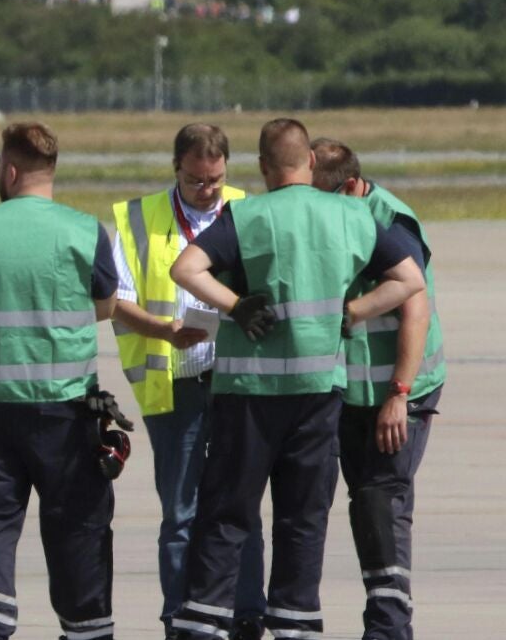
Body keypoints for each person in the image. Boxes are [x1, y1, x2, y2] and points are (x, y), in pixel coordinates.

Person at [164, 119, 427, 640]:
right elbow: (409, 278)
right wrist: (351, 312)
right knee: (302, 519)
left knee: (227, 514)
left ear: (263, 167)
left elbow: (185, 269)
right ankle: (296, 623)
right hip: (317, 395)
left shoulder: (247, 215)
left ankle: (203, 622)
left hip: (247, 397)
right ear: (309, 162)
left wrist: (237, 305)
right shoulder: (353, 216)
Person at [0, 122, 129, 640]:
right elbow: (104, 305)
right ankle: (88, 628)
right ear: (51, 171)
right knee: (77, 524)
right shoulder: (85, 231)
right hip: (66, 409)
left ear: (8, 171)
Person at [109, 124, 267, 639]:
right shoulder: (137, 218)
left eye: (216, 180)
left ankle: (246, 612)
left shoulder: (248, 208)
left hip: (237, 377)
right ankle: (180, 614)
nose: (208, 190)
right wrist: (162, 330)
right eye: (198, 181)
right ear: (176, 167)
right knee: (180, 508)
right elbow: (116, 299)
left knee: (240, 500)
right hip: (172, 379)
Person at [312, 138, 444, 640]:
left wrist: (399, 394)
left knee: (381, 499)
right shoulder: (337, 215)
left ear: (348, 186)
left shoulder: (390, 222)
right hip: (352, 390)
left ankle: (389, 627)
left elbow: (415, 304)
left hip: (396, 390)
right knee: (362, 501)